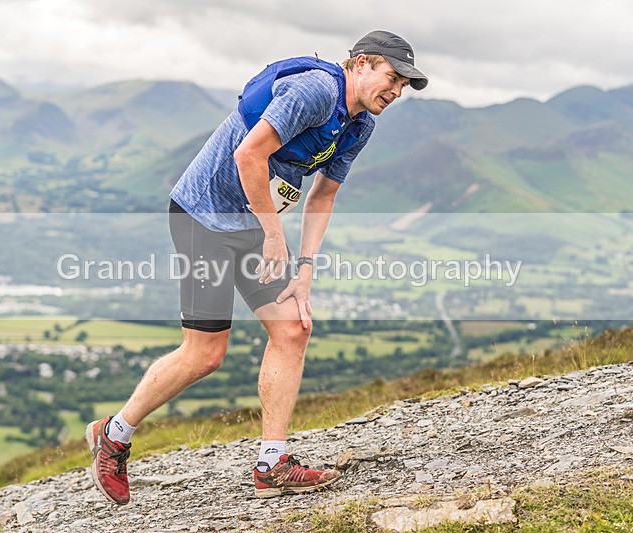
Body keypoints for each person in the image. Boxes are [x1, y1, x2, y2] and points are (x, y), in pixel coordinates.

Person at [86, 30, 428, 504]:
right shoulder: (315, 91)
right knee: (205, 353)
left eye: (403, 86)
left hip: (254, 223)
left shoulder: (359, 126)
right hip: (203, 216)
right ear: (362, 63)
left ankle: (271, 465)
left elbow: (323, 193)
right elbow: (249, 152)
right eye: (392, 77)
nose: (395, 92)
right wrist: (272, 235)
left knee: (292, 329)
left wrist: (305, 267)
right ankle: (115, 433)